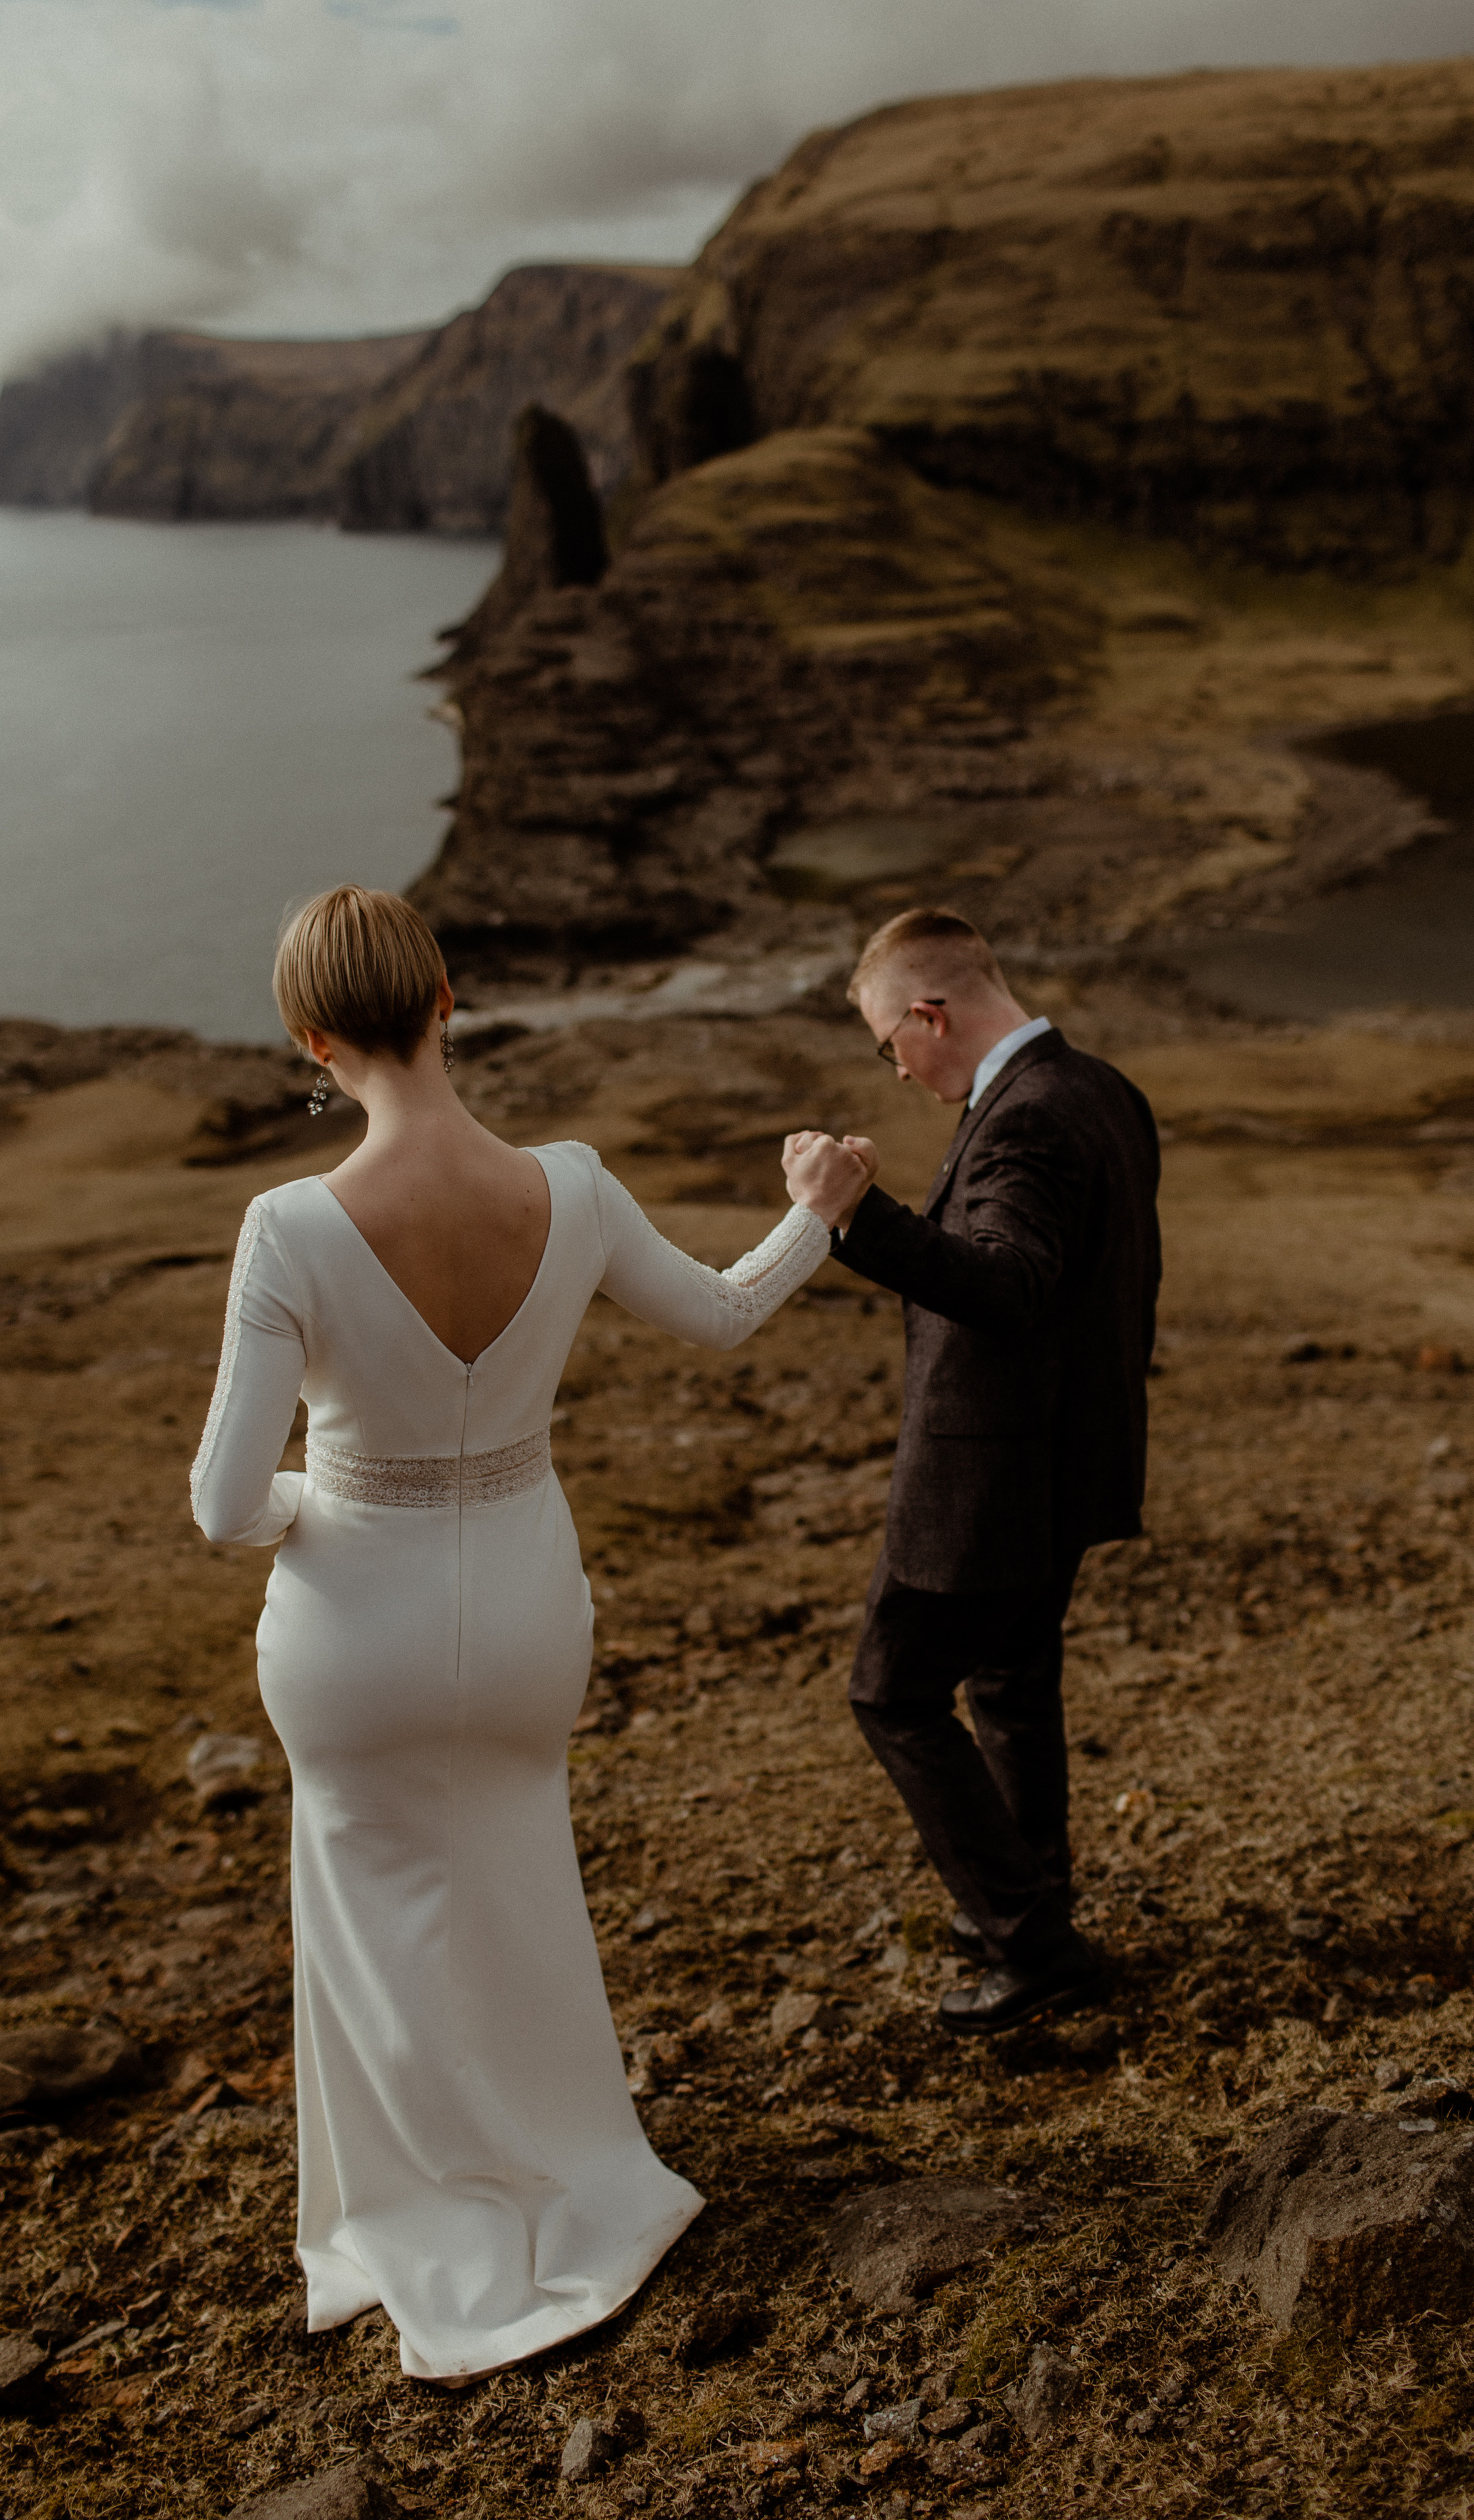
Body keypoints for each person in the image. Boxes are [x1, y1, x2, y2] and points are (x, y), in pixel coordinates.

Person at [190, 886, 858, 2384]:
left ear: (307, 1036)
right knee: (513, 1878)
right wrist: (815, 1211)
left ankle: (421, 2216)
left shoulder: (288, 1226)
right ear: (445, 998)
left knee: (372, 1919)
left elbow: (225, 1509)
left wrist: (326, 1494)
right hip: (519, 1613)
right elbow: (728, 1310)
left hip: (351, 1627)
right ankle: (569, 2175)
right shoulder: (573, 1186)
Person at [782, 908, 1161, 2036]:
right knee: (1007, 1680)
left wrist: (855, 1213)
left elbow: (1009, 1283)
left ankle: (1033, 1946)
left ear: (929, 1015)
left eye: (886, 1042)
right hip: (1068, 1462)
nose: (892, 1069)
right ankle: (1029, 1896)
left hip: (992, 1479)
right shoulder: (1100, 1087)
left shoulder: (1029, 1119)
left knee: (890, 1693)